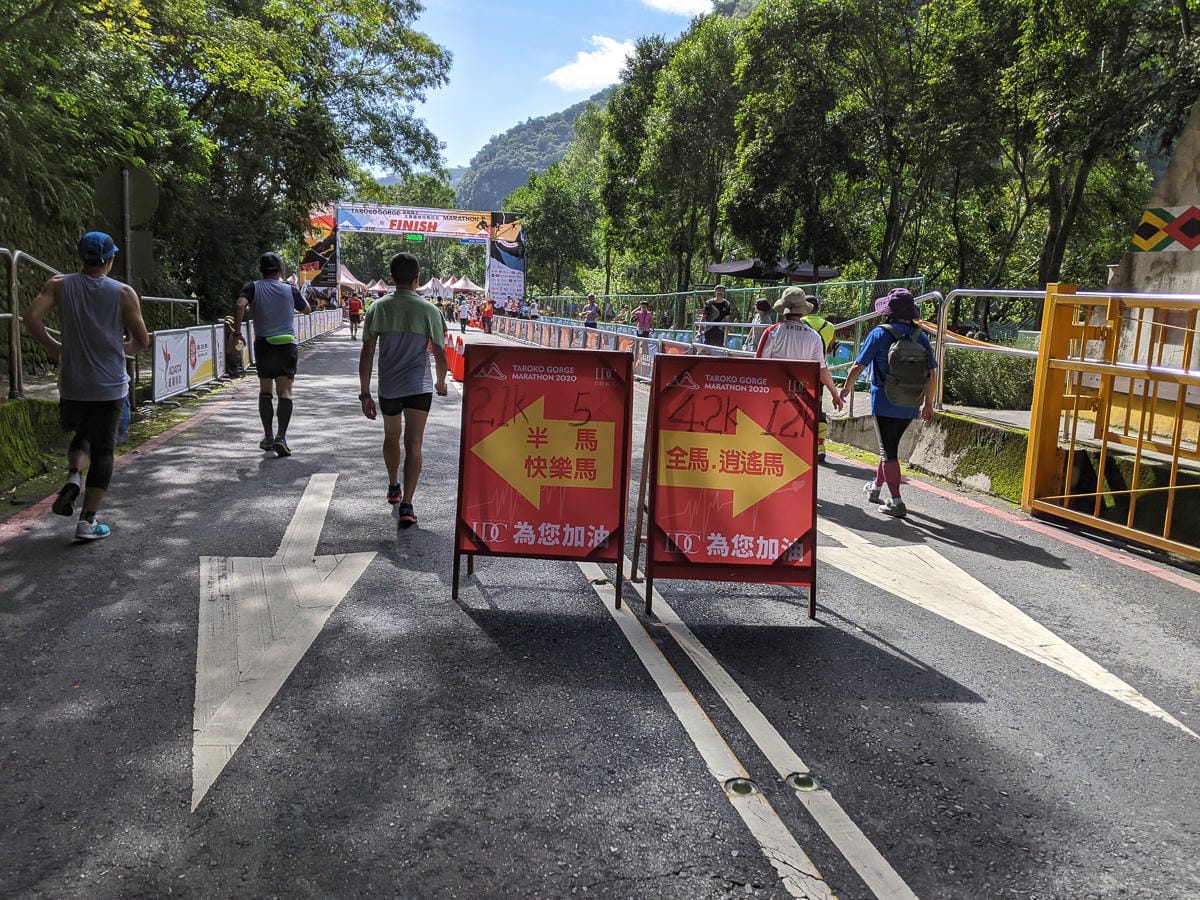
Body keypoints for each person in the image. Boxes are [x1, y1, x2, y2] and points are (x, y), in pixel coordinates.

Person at [26, 232, 150, 541]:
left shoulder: (58, 285)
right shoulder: (123, 292)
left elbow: (31, 318)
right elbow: (142, 340)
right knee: (104, 449)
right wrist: (121, 348)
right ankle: (87, 522)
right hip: (109, 385)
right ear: (110, 259)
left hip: (73, 383)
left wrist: (55, 347)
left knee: (83, 434)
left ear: (82, 257)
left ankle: (73, 477)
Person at [358, 252, 449, 529]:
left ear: (392, 278)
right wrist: (441, 381)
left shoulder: (379, 307)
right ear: (417, 280)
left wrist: (365, 393)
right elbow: (440, 352)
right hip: (419, 387)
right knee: (415, 443)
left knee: (391, 436)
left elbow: (367, 351)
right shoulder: (430, 311)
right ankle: (408, 503)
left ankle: (393, 485)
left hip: (389, 388)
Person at [837, 288, 936, 519]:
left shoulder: (879, 334)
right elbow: (932, 372)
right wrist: (928, 403)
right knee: (888, 447)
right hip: (911, 401)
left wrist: (846, 388)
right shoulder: (920, 336)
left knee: (888, 450)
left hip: (883, 400)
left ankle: (897, 501)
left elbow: (858, 365)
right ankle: (876, 487)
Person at [233, 252, 310, 458]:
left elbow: (240, 304)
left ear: (261, 269)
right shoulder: (289, 289)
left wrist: (237, 332)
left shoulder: (253, 287)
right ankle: (281, 437)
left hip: (264, 344)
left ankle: (267, 436)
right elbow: (307, 310)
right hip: (286, 345)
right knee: (285, 392)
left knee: (265, 391)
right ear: (280, 270)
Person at [755, 289, 844, 440]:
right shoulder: (814, 336)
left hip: (775, 392)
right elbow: (822, 369)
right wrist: (835, 394)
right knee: (795, 436)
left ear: (783, 310)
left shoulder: (772, 332)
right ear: (803, 311)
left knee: (772, 434)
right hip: (802, 393)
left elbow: (760, 365)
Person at [802, 296, 839, 463]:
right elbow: (831, 347)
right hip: (819, 372)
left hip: (799, 370)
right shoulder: (829, 326)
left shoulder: (799, 322)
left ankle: (800, 443)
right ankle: (820, 446)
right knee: (817, 408)